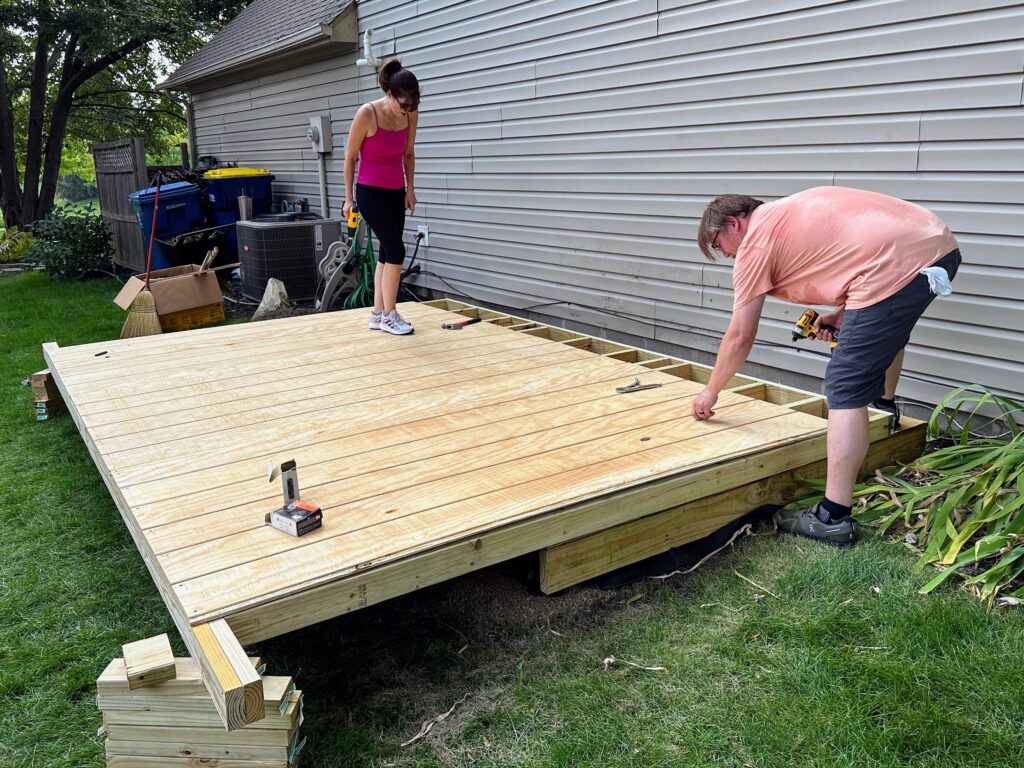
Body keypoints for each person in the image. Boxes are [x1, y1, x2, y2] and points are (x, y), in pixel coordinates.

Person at [692, 186, 961, 546]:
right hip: (936, 248)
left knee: (845, 386)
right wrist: (842, 315)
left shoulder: (755, 241)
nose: (725, 254)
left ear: (733, 224)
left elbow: (741, 334)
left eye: (718, 244)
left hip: (896, 263)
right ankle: (884, 409)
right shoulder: (786, 215)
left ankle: (832, 517)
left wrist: (711, 390)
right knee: (883, 336)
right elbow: (857, 252)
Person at [343, 59, 420, 335]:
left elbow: (408, 154)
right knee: (397, 249)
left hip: (395, 191)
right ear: (390, 94)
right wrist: (348, 199)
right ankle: (390, 315)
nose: (407, 111)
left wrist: (410, 189)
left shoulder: (411, 114)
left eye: (412, 106)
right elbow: (350, 158)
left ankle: (377, 314)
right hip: (369, 192)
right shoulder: (367, 114)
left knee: (388, 252)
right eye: (403, 105)